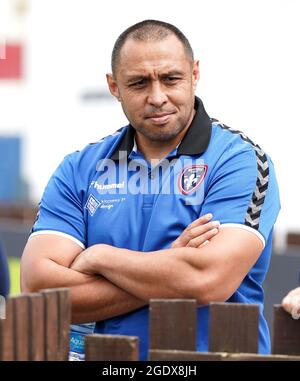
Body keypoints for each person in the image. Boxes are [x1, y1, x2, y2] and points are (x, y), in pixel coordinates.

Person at [21, 19, 280, 360]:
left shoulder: (240, 161)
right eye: (139, 83)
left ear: (194, 73)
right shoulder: (79, 168)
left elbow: (207, 279)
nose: (158, 97)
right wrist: (170, 263)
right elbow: (39, 290)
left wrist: (100, 257)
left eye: (171, 78)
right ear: (114, 86)